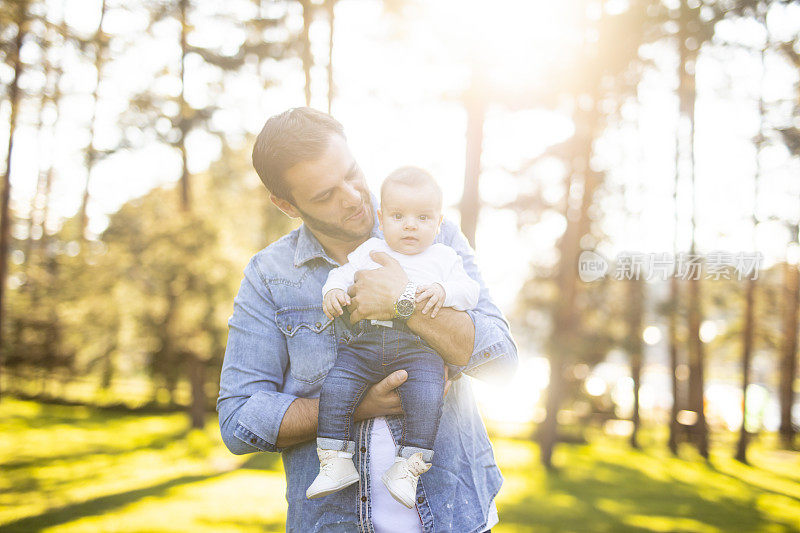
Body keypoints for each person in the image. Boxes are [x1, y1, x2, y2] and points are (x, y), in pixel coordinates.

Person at [216, 107, 518, 533]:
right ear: (287, 205)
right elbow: (238, 420)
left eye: (352, 172)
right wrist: (357, 405)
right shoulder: (270, 275)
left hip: (456, 517)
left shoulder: (432, 231)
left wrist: (404, 302)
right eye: (325, 195)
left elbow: (502, 361)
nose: (355, 197)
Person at [307, 167, 480, 508]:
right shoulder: (370, 248)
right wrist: (333, 291)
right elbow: (341, 273)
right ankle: (335, 460)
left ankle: (408, 467)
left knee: (429, 396)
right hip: (366, 342)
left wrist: (444, 290)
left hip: (419, 349)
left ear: (439, 222)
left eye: (423, 217)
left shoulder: (444, 258)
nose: (411, 225)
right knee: (337, 387)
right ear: (382, 219)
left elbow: (469, 292)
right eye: (399, 216)